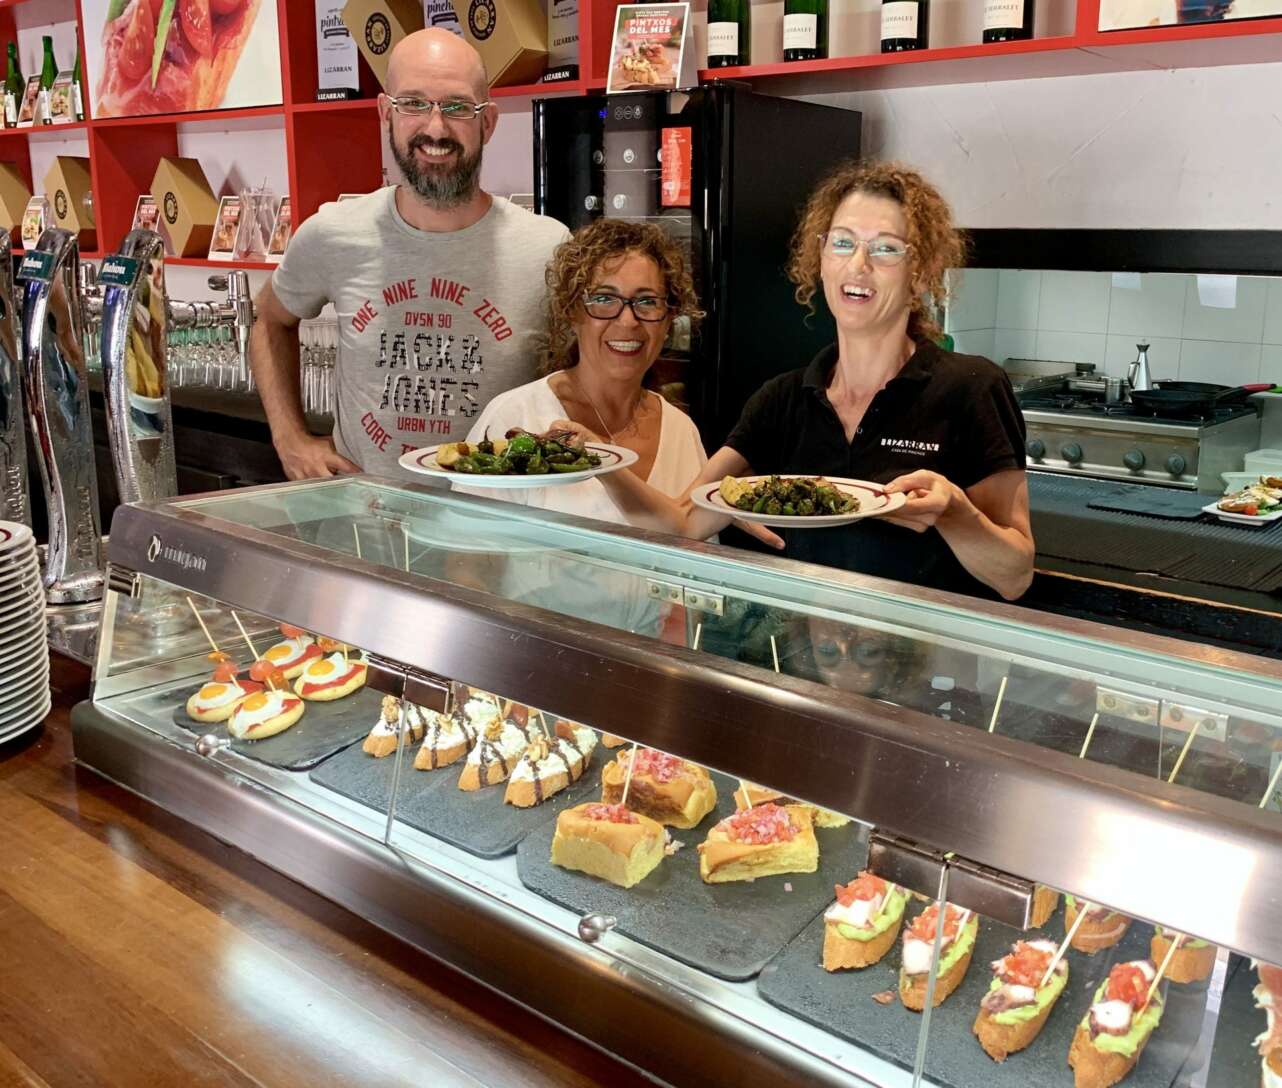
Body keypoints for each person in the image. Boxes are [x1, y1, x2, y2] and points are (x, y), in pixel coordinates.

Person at [613, 161, 1034, 602]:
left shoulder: (971, 387)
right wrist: (600, 463)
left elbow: (1015, 576)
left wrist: (954, 513)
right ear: (820, 259)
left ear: (922, 270)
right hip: (806, 658)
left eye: (886, 248)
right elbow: (684, 523)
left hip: (924, 661)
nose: (858, 264)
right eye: (842, 242)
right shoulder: (782, 400)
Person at [249, 29, 569, 481]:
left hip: (500, 524)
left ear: (489, 123)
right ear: (386, 114)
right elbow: (268, 320)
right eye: (414, 104)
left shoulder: (547, 248)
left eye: (457, 107)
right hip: (366, 521)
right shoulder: (335, 232)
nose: (435, 128)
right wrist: (289, 438)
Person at [464, 218, 707, 529]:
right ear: (572, 312)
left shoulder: (681, 431)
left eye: (647, 301)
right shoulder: (516, 416)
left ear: (669, 317)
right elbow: (468, 560)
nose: (629, 320)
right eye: (604, 299)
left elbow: (698, 561)